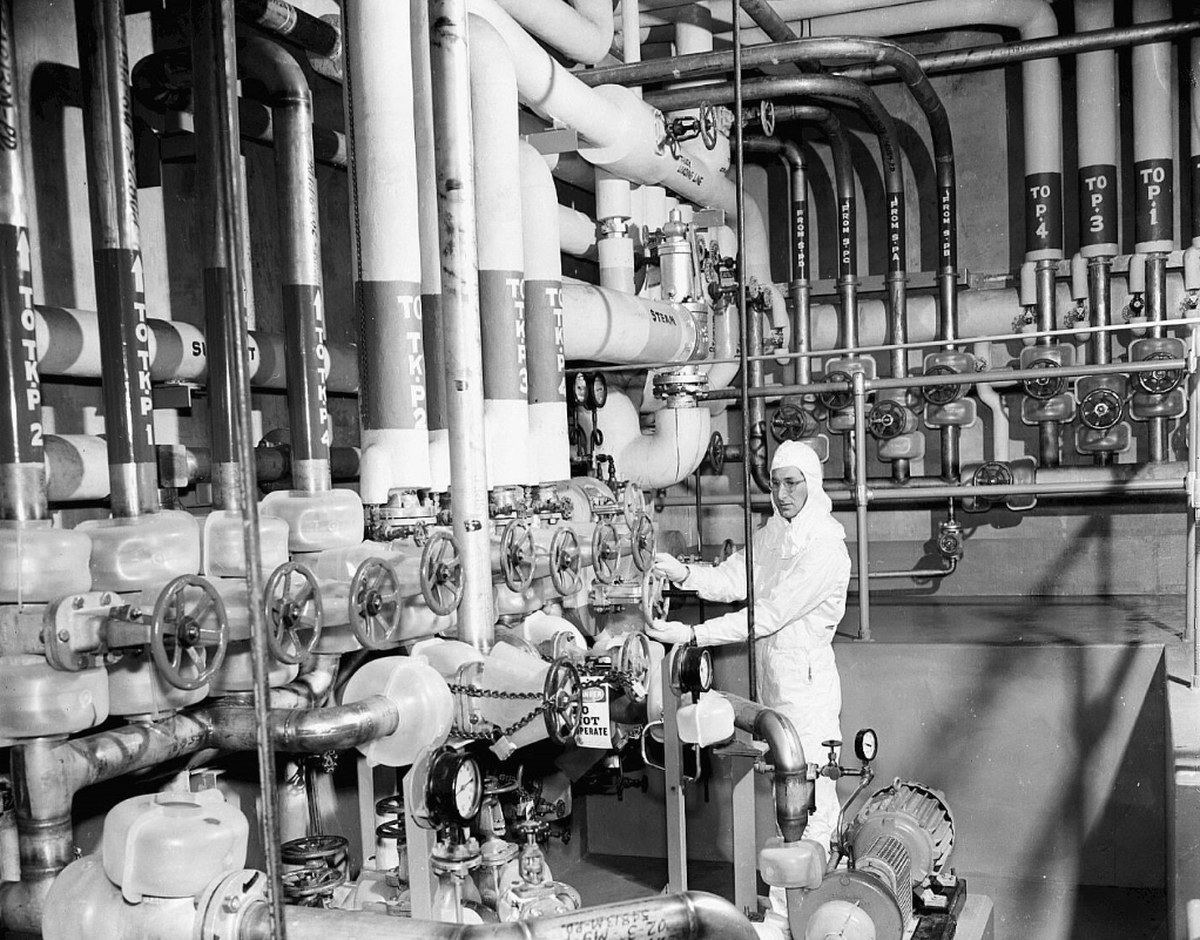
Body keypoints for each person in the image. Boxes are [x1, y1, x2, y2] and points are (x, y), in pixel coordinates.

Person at [647, 439, 851, 867]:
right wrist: (683, 574)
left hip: (807, 689)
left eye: (792, 483)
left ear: (811, 484)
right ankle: (790, 910)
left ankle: (800, 912)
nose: (782, 494)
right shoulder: (776, 532)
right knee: (787, 796)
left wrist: (692, 634)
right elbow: (734, 580)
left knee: (810, 797)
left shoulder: (825, 547)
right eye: (776, 484)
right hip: (776, 683)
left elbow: (766, 616)